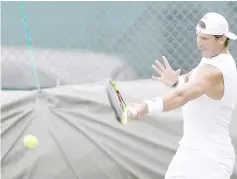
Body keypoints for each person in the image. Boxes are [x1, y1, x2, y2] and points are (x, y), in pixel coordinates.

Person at [129, 12, 237, 179]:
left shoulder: (216, 70)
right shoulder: (209, 60)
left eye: (205, 39)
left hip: (212, 159)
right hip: (189, 152)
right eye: (198, 36)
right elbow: (189, 81)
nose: (199, 43)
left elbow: (182, 96)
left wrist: (147, 106)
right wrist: (175, 81)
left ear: (222, 39)